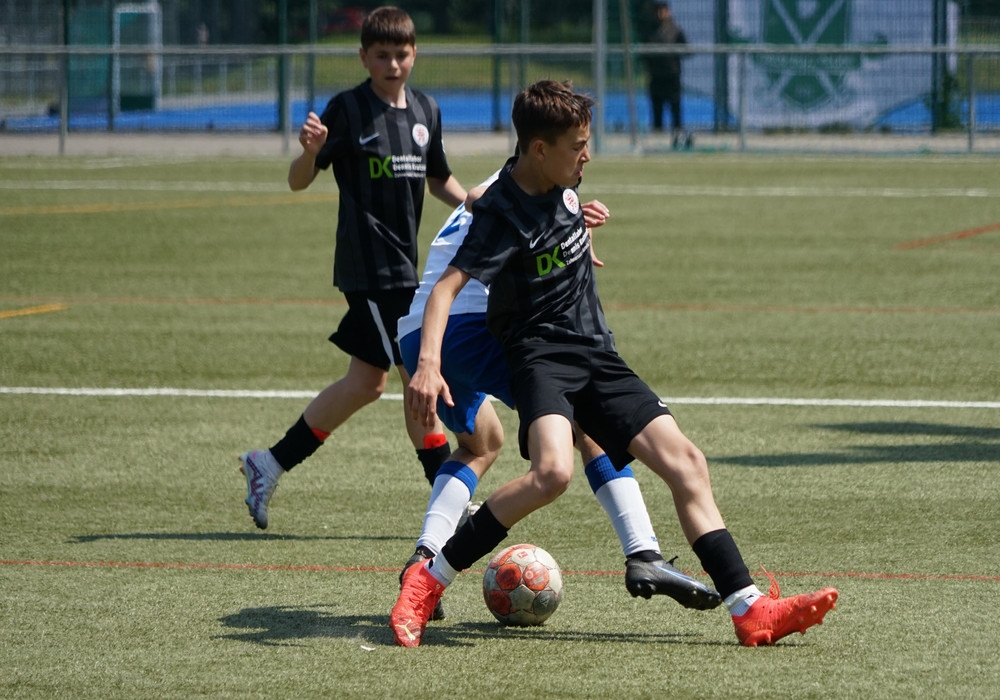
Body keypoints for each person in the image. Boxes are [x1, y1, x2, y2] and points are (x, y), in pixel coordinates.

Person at [391, 80, 838, 648]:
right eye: (578, 146)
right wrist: (428, 364)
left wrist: (574, 231)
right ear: (539, 150)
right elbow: (446, 289)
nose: (588, 156)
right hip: (541, 357)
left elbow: (550, 222)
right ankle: (427, 581)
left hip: (597, 354)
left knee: (687, 463)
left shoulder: (561, 184)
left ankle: (751, 609)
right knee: (552, 474)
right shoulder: (499, 214)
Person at [395, 173, 723, 620]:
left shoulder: (541, 191)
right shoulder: (519, 181)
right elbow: (477, 198)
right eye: (576, 146)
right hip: (466, 324)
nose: (583, 158)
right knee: (587, 420)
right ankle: (642, 552)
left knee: (481, 443)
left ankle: (424, 556)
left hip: (418, 332)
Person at [239, 6, 466, 530]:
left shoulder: (426, 110)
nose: (392, 64)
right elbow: (299, 180)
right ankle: (450, 504)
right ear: (363, 57)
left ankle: (267, 463)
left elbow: (438, 179)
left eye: (401, 54)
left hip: (405, 268)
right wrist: (309, 152)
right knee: (419, 381)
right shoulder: (346, 109)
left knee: (365, 383)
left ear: (415, 54)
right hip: (370, 272)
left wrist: (479, 206)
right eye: (381, 55)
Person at [643, 1, 690, 148]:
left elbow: (686, 50)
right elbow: (644, 53)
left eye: (664, 11)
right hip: (656, 76)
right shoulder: (650, 30)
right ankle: (657, 139)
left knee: (675, 107)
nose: (661, 14)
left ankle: (678, 138)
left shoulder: (675, 30)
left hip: (672, 76)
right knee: (657, 108)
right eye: (659, 11)